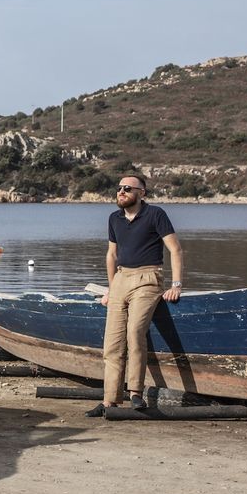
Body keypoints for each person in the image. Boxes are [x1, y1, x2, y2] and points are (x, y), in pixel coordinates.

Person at [85, 175, 183, 417]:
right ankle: (109, 401)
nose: (121, 192)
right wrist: (111, 288)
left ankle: (136, 392)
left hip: (147, 279)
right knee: (112, 343)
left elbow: (175, 249)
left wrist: (176, 285)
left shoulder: (155, 214)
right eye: (118, 188)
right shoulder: (114, 218)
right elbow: (111, 254)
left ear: (142, 193)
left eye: (127, 188)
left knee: (135, 332)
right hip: (120, 280)